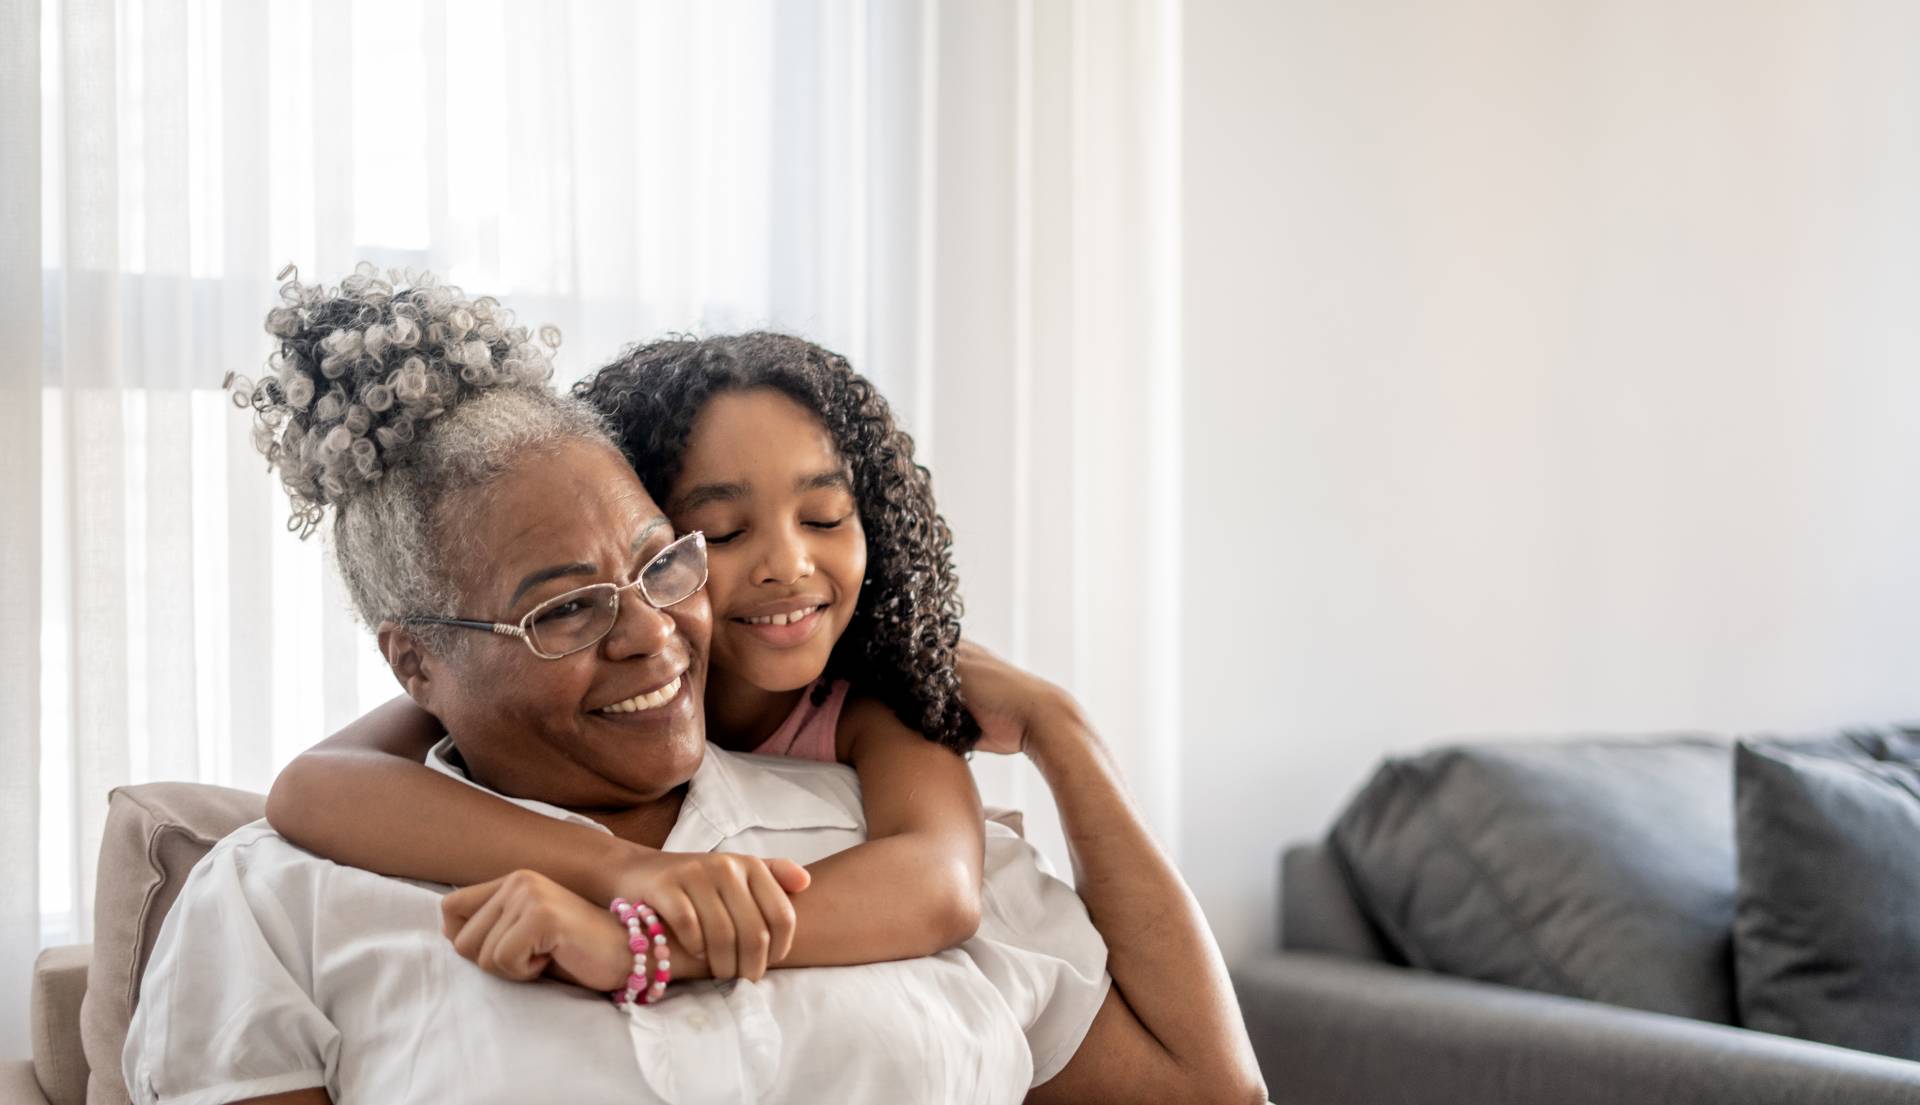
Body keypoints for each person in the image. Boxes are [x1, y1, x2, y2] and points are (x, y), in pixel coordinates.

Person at [125, 267, 1265, 1104]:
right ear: (417, 663)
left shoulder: (889, 798)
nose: (653, 637)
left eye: (661, 564)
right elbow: (312, 788)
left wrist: (1064, 731)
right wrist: (634, 877)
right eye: (565, 607)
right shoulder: (280, 900)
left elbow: (1210, 1092)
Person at [263, 333, 994, 981]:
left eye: (826, 517)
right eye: (725, 532)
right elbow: (312, 785)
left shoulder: (866, 698)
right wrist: (626, 869)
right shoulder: (531, 684)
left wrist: (641, 942)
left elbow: (941, 882)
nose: (787, 565)